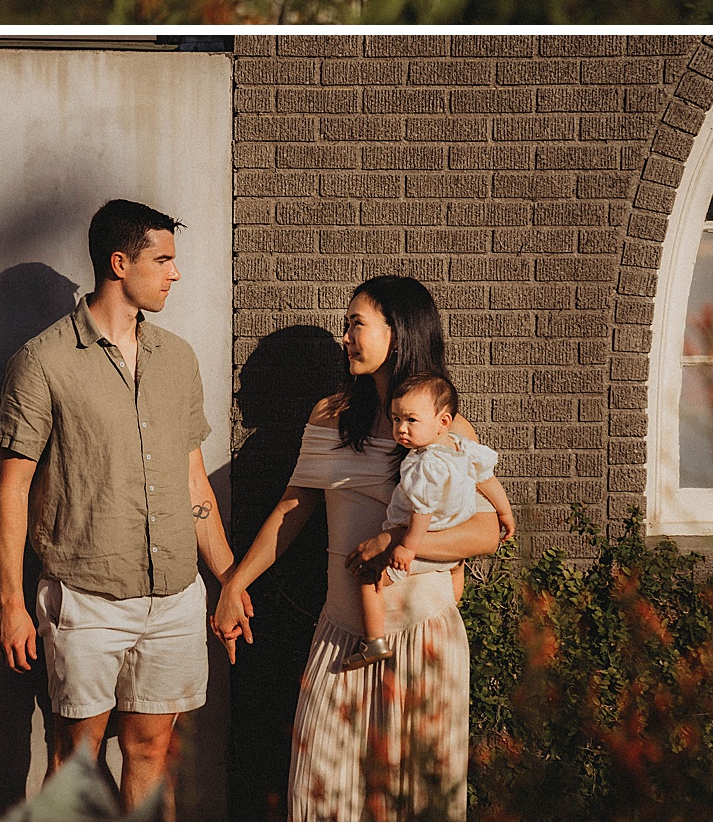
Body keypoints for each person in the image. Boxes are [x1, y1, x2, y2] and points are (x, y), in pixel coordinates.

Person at [212, 275, 513, 822]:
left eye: (356, 323)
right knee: (322, 800)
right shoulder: (329, 415)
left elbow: (488, 531)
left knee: (416, 806)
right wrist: (236, 584)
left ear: (397, 334)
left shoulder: (445, 428)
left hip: (423, 642)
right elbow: (293, 510)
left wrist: (399, 546)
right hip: (343, 640)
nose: (344, 335)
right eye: (345, 323)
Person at [0, 199, 245, 815]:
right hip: (86, 598)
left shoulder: (177, 360)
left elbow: (193, 484)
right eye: (163, 260)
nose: (174, 274)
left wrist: (231, 579)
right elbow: (10, 491)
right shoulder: (42, 362)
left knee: (153, 750)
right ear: (119, 262)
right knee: (75, 756)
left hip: (175, 598)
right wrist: (11, 604)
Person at [341, 373, 509, 671]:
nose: (401, 429)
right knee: (453, 571)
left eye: (411, 421)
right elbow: (487, 478)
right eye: (395, 420)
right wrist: (505, 512)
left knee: (367, 577)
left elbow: (422, 510)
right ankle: (451, 601)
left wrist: (406, 546)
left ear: (443, 422)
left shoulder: (423, 464)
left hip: (420, 536)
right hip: (450, 542)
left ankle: (374, 641)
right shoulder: (461, 447)